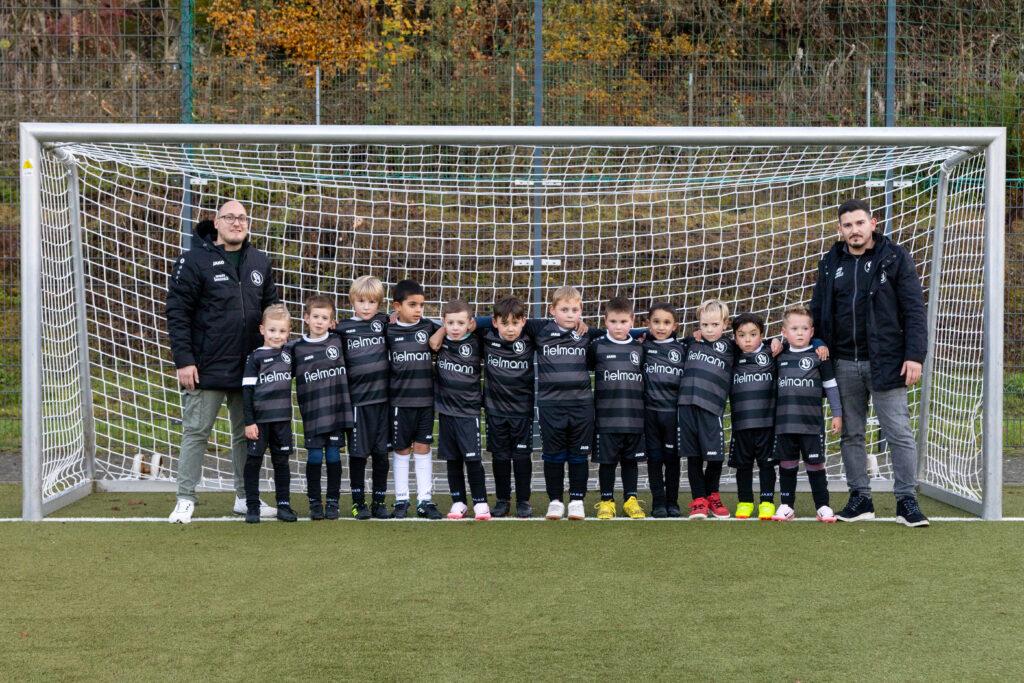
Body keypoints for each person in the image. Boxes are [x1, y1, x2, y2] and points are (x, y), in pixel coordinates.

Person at [810, 198, 930, 527]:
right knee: (851, 434)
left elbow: (914, 310)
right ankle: (860, 498)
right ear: (839, 229)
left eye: (860, 223)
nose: (855, 230)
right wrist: (813, 345)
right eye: (848, 225)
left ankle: (907, 501)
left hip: (887, 361)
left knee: (899, 433)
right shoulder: (830, 263)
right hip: (843, 363)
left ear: (873, 224)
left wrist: (914, 355)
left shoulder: (894, 258)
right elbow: (818, 311)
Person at [166, 200, 280, 524]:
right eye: (230, 217)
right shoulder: (193, 260)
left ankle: (245, 497)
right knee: (196, 432)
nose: (237, 223)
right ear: (216, 222)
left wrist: (272, 358)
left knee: (246, 435)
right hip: (207, 366)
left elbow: (272, 311)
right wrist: (184, 360)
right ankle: (185, 499)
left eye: (242, 218)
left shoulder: (259, 260)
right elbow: (177, 312)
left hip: (249, 367)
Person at [521, 286, 603, 520]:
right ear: (552, 310)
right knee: (553, 455)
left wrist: (647, 334)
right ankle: (555, 501)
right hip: (550, 406)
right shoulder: (539, 329)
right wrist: (466, 324)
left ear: (581, 311)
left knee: (578, 456)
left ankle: (577, 501)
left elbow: (619, 333)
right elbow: (508, 318)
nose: (569, 314)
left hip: (581, 406)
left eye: (574, 310)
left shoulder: (588, 333)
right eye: (564, 309)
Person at [770, 306, 843, 522]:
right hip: (784, 423)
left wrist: (837, 413)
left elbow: (830, 385)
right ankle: (786, 505)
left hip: (811, 423)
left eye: (804, 329)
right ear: (784, 332)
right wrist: (773, 341)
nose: (800, 333)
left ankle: (822, 506)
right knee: (787, 464)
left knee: (815, 465)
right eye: (794, 329)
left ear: (812, 332)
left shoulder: (820, 355)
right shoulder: (778, 354)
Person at [288, 295, 354, 520]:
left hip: (336, 411)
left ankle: (333, 502)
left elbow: (360, 331)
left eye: (325, 318)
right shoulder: (296, 348)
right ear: (306, 318)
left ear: (332, 322)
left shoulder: (339, 341)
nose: (319, 321)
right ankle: (315, 503)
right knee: (315, 457)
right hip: (313, 413)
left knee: (334, 456)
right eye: (315, 316)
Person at [334, 276, 393, 519]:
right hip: (358, 403)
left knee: (381, 455)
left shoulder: (385, 321)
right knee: (358, 455)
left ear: (379, 303)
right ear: (352, 301)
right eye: (361, 301)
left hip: (383, 402)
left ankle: (379, 502)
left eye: (372, 302)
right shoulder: (342, 328)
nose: (366, 307)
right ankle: (359, 503)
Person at [386, 279, 443, 520]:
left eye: (421, 305)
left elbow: (456, 324)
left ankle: (424, 500)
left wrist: (442, 329)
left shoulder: (429, 327)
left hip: (425, 401)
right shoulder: (388, 328)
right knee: (401, 449)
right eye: (412, 304)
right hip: (399, 402)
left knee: (422, 448)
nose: (418, 309)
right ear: (397, 306)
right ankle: (401, 499)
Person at [431, 300, 490, 520]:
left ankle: (480, 502)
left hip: (469, 412)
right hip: (446, 412)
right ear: (443, 322)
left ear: (470, 323)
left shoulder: (477, 340)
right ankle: (458, 502)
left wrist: (476, 323)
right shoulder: (440, 341)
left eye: (461, 323)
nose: (455, 327)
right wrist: (440, 331)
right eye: (450, 323)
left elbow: (494, 321)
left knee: (473, 460)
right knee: (453, 460)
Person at [589, 297, 647, 519]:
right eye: (613, 321)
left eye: (623, 322)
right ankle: (607, 501)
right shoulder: (597, 346)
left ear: (632, 321)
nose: (618, 326)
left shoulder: (639, 348)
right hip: (606, 419)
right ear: (605, 321)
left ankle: (631, 500)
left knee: (630, 462)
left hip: (633, 418)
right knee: (607, 462)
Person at [677, 299, 734, 520]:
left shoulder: (731, 346)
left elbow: (757, 342)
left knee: (715, 457)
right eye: (705, 325)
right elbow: (658, 337)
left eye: (715, 325)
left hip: (711, 408)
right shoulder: (691, 341)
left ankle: (712, 496)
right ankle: (699, 500)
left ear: (725, 324)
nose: (709, 330)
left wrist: (776, 342)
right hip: (686, 406)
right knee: (693, 457)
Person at [241, 304, 298, 523]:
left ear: (289, 332)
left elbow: (309, 343)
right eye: (272, 330)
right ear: (262, 329)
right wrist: (249, 422)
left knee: (281, 462)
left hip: (282, 420)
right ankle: (252, 506)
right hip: (260, 421)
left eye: (282, 331)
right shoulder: (254, 358)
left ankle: (283, 505)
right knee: (254, 461)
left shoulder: (289, 353)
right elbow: (247, 391)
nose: (277, 335)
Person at [728, 312, 778, 520]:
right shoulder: (731, 355)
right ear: (734, 337)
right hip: (741, 424)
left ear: (762, 335)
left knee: (767, 464)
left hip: (767, 423)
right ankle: (745, 502)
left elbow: (797, 345)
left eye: (753, 334)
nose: (747, 339)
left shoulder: (772, 352)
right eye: (741, 335)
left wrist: (774, 341)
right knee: (743, 465)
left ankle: (767, 502)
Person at [641, 302, 686, 518]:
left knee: (672, 460)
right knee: (654, 459)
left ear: (675, 326)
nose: (661, 327)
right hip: (650, 413)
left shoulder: (683, 348)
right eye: (656, 322)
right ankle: (658, 502)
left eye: (666, 322)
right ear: (648, 324)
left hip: (673, 415)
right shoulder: (642, 347)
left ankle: (672, 502)